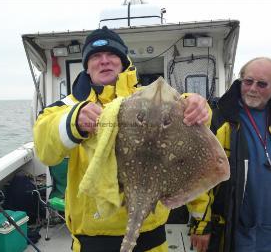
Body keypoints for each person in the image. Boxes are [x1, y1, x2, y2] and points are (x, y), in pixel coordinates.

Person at [33, 26, 210, 252]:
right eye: (96, 56)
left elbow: (193, 150)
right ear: (86, 67)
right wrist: (74, 121)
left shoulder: (151, 100)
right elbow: (44, 147)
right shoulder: (67, 107)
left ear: (124, 61)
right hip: (92, 240)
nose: (104, 60)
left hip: (153, 240)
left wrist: (196, 105)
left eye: (112, 54)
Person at [190, 57, 271, 252]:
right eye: (248, 81)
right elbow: (199, 175)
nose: (252, 88)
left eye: (262, 84)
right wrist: (201, 225)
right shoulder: (219, 119)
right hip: (238, 233)